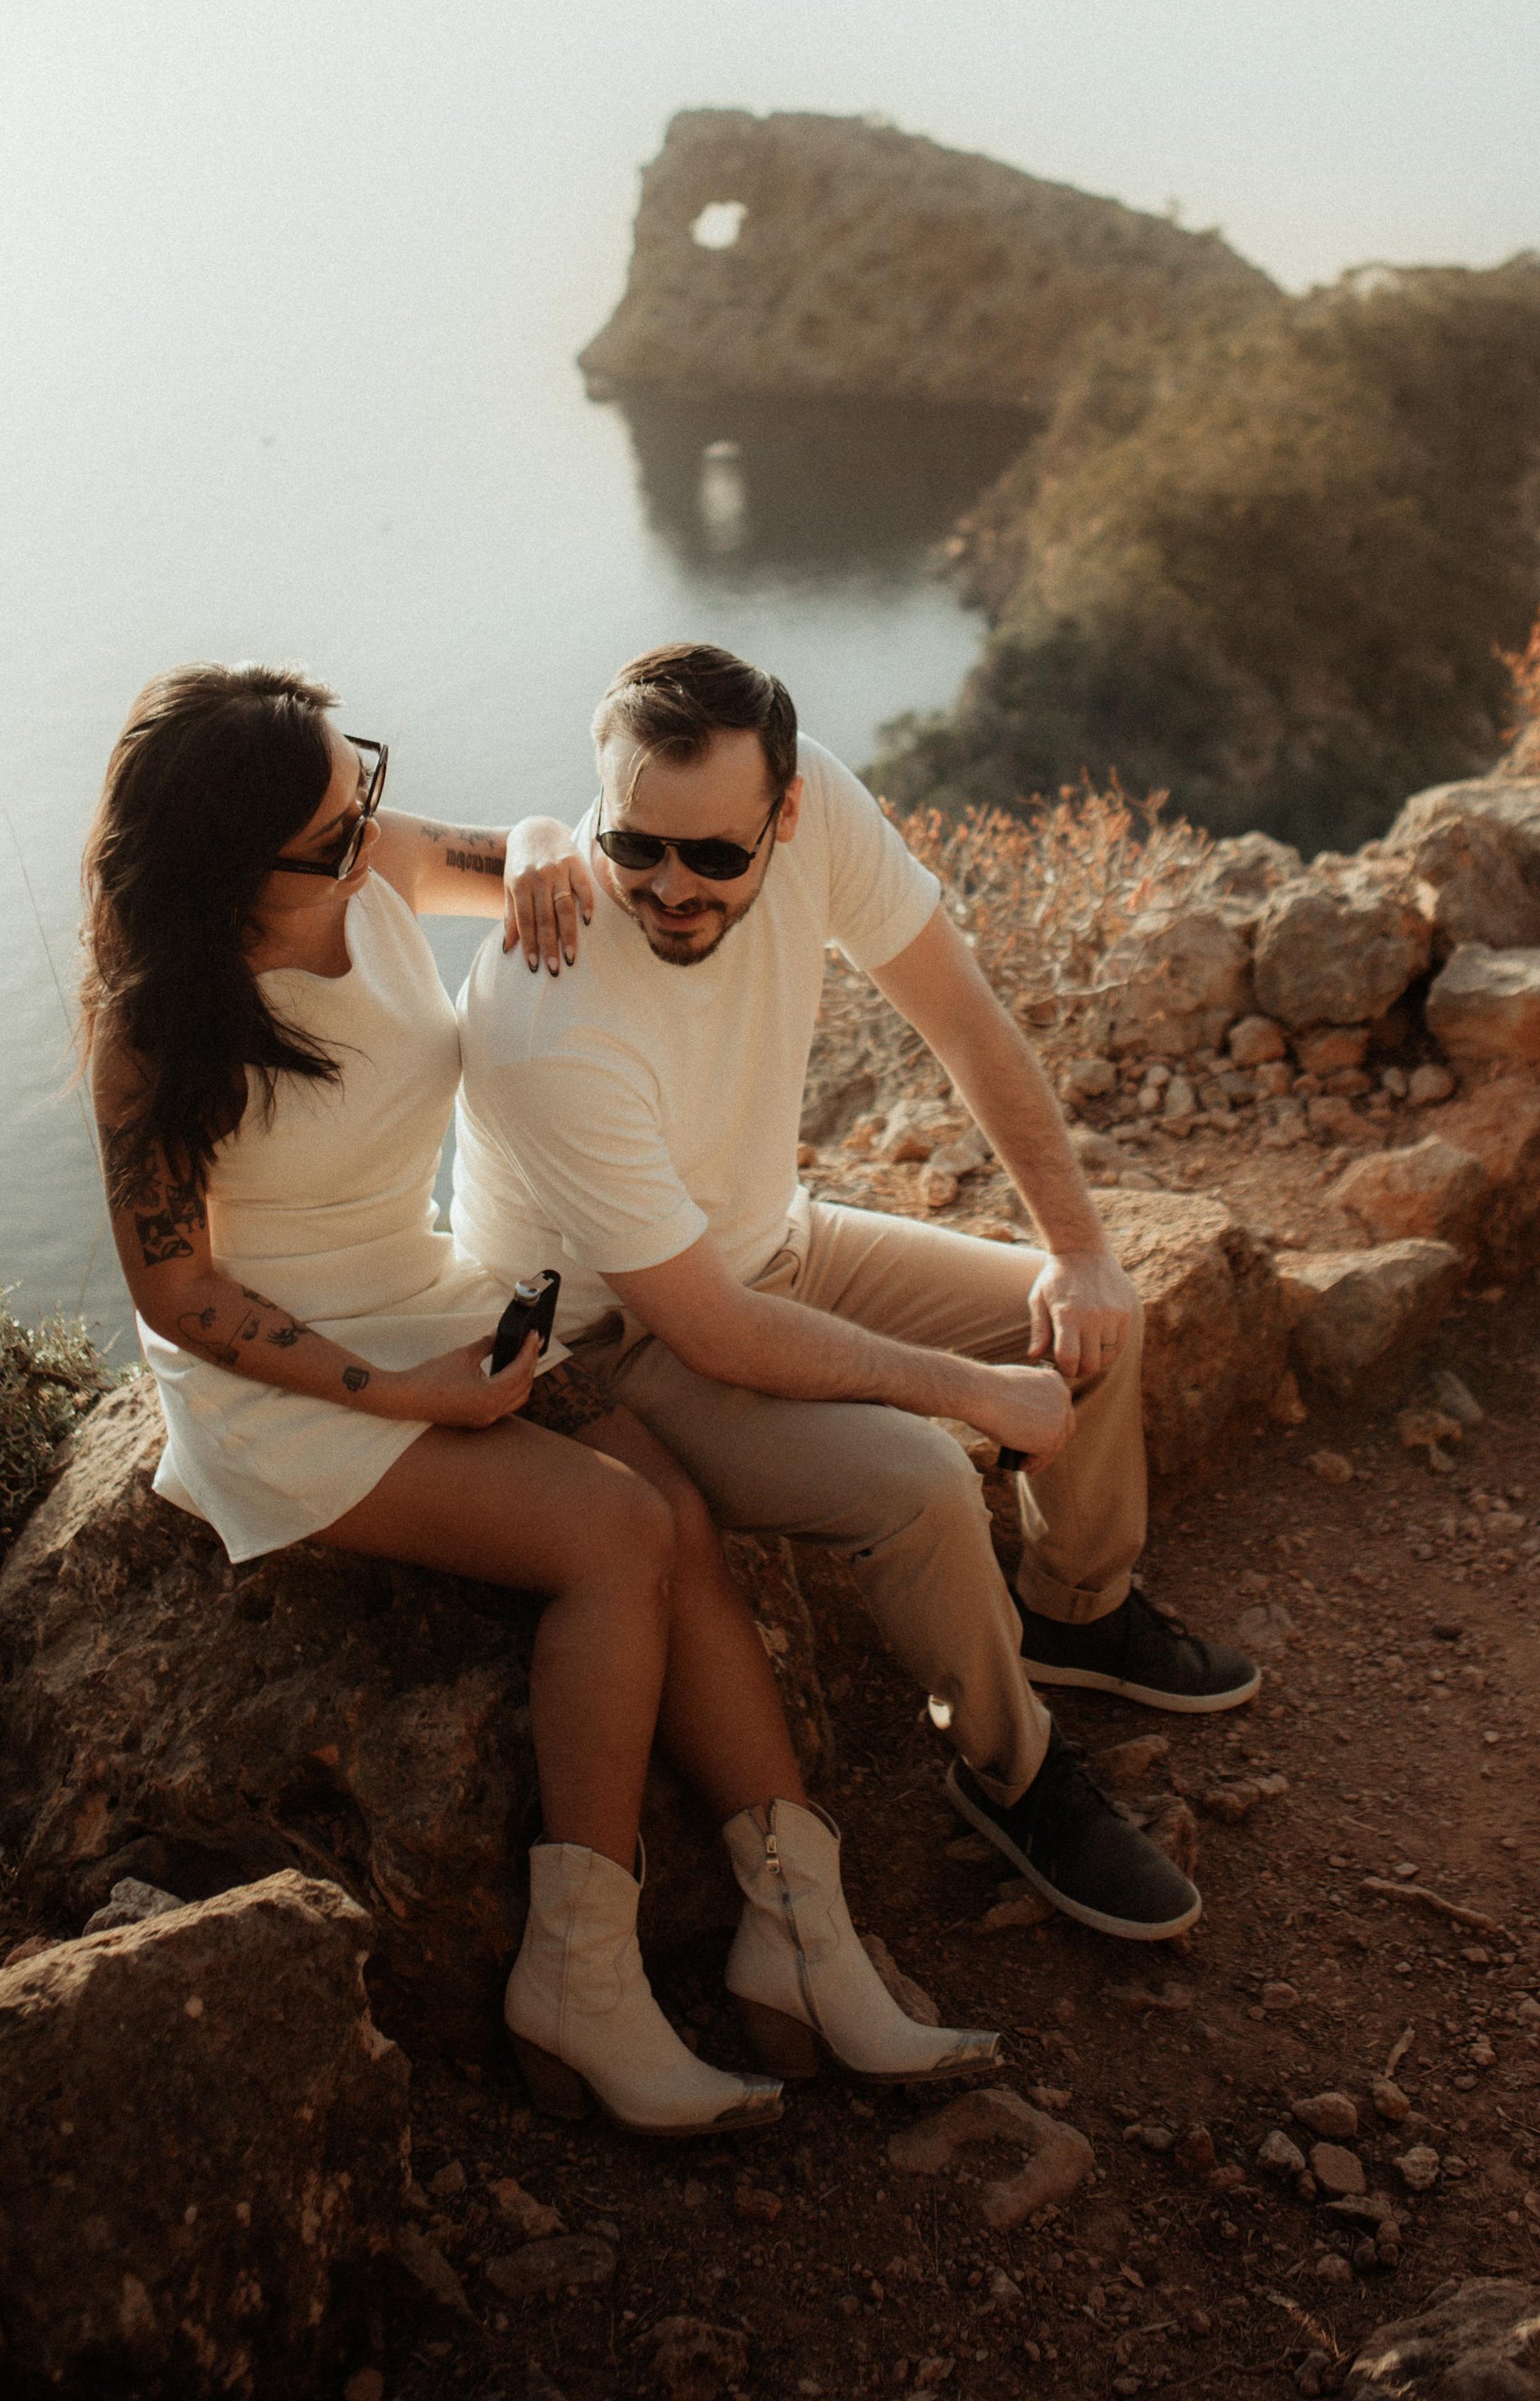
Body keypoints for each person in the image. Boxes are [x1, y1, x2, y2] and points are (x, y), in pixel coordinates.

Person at [81, 661, 996, 2138]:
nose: (369, 825)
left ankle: (804, 1942)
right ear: (230, 866)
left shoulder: (364, 852)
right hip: (290, 1380)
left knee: (681, 1517)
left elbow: (526, 854)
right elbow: (177, 1295)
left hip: (432, 1291)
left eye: (361, 779)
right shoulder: (157, 1035)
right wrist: (407, 1394)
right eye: (332, 822)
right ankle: (578, 1979)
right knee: (611, 1540)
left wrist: (554, 840)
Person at [451, 642, 1261, 1944]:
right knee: (926, 1482)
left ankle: (1079, 1613)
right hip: (619, 1340)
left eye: (714, 857)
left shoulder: (819, 798)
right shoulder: (548, 1014)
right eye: (633, 847)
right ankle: (1014, 1771)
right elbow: (706, 1327)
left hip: (776, 1242)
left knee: (1090, 1319)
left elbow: (963, 1015)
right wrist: (971, 1396)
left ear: (784, 812)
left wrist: (1082, 1248)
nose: (670, 888)